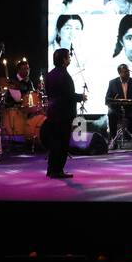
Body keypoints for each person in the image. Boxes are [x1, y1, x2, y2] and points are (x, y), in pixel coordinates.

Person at [43, 47, 83, 179]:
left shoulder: (49, 74)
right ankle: (58, 170)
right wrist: (80, 97)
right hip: (64, 114)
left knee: (54, 143)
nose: (70, 59)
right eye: (68, 57)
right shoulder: (65, 76)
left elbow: (50, 94)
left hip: (52, 113)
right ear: (64, 60)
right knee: (62, 144)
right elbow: (68, 96)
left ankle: (51, 170)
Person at [105, 64, 132, 147]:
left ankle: (131, 135)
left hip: (131, 109)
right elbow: (107, 100)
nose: (127, 73)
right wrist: (114, 105)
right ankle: (113, 138)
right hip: (117, 110)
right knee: (111, 114)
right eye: (125, 72)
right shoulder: (113, 83)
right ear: (119, 72)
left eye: (128, 71)